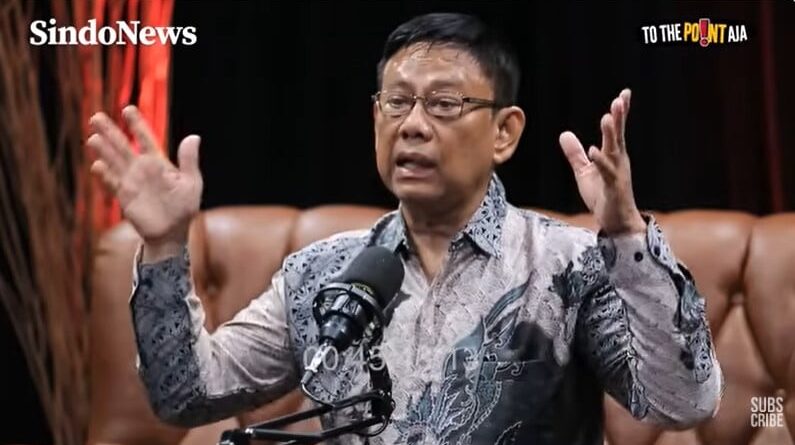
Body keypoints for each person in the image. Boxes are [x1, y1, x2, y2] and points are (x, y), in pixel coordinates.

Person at [88, 12, 722, 445]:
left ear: (504, 132)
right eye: (396, 102)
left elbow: (683, 403)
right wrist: (166, 247)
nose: (412, 125)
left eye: (444, 104)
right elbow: (185, 395)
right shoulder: (323, 273)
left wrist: (628, 236)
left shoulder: (569, 264)